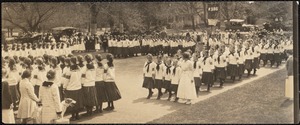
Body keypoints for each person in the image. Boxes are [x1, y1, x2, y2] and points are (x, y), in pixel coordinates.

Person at [63, 57, 83, 121]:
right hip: (78, 87)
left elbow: (66, 80)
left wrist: (64, 87)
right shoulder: (79, 69)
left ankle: (73, 116)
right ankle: (77, 115)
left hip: (71, 88)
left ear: (71, 62)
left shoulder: (69, 70)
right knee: (77, 102)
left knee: (71, 102)